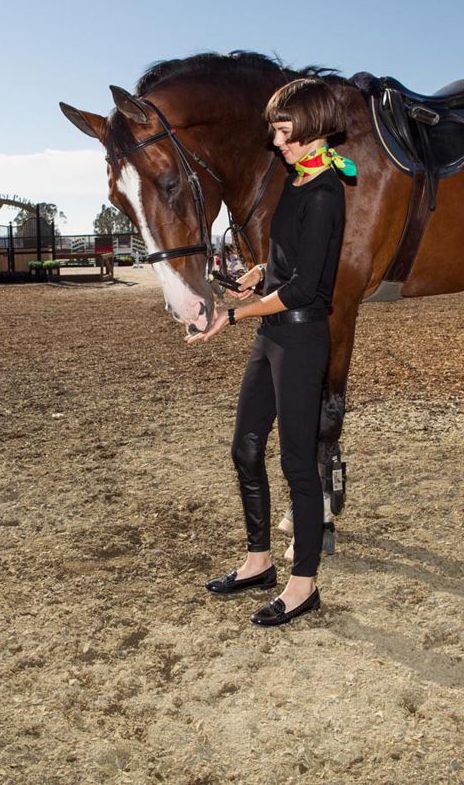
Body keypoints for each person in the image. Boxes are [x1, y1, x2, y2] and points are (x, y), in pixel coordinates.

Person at [185, 78, 355, 627]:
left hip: (302, 337)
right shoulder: (295, 178)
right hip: (273, 332)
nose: (276, 142)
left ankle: (303, 584)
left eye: (283, 132)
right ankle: (258, 561)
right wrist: (256, 276)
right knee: (244, 447)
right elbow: (290, 260)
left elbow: (309, 288)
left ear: (310, 130)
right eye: (275, 132)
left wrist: (232, 316)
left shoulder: (327, 191)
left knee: (297, 464)